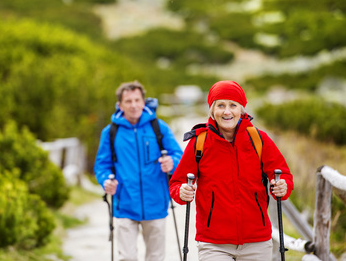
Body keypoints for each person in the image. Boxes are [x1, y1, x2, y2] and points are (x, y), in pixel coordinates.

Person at [169, 80, 294, 261]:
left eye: (233, 105)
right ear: (212, 110)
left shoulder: (258, 139)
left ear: (241, 109)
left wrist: (283, 186)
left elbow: (283, 174)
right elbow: (176, 183)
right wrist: (181, 191)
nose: (227, 111)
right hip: (213, 243)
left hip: (257, 241)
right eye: (220, 105)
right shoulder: (199, 143)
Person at [95, 80, 183, 261]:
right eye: (128, 101)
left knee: (156, 257)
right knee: (127, 258)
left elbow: (178, 155)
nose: (134, 105)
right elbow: (101, 165)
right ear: (120, 105)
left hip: (156, 204)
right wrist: (106, 180)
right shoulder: (110, 132)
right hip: (124, 204)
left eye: (137, 100)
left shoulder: (159, 127)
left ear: (144, 101)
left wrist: (171, 163)